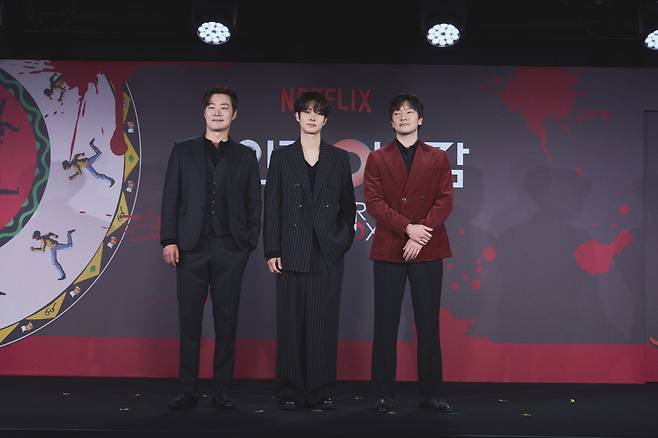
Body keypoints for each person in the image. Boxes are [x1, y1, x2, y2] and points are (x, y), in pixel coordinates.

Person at [160, 86, 262, 410]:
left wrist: (247, 243)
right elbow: (170, 198)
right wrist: (169, 239)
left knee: (226, 322)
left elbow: (253, 203)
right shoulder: (183, 150)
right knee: (189, 320)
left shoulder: (246, 156)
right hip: (190, 248)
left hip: (231, 249)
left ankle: (222, 391)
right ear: (204, 112)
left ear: (234, 114)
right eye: (212, 107)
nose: (217, 112)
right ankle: (188, 389)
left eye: (224, 107)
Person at [263, 91, 356, 411]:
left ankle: (320, 391)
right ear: (297, 117)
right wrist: (271, 248)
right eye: (307, 111)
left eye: (318, 113)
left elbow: (348, 208)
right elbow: (271, 206)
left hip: (327, 251)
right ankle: (289, 390)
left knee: (323, 323)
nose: (312, 117)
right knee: (290, 323)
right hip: (291, 250)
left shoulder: (339, 158)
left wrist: (341, 241)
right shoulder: (281, 157)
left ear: (325, 120)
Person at [364, 93, 454, 413]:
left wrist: (421, 234)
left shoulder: (438, 158)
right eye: (397, 113)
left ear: (420, 119)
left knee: (428, 324)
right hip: (390, 248)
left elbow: (445, 201)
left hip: (428, 249)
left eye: (409, 112)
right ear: (391, 121)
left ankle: (432, 393)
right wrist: (408, 229)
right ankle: (382, 394)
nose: (403, 116)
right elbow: (374, 202)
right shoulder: (377, 158)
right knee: (384, 324)